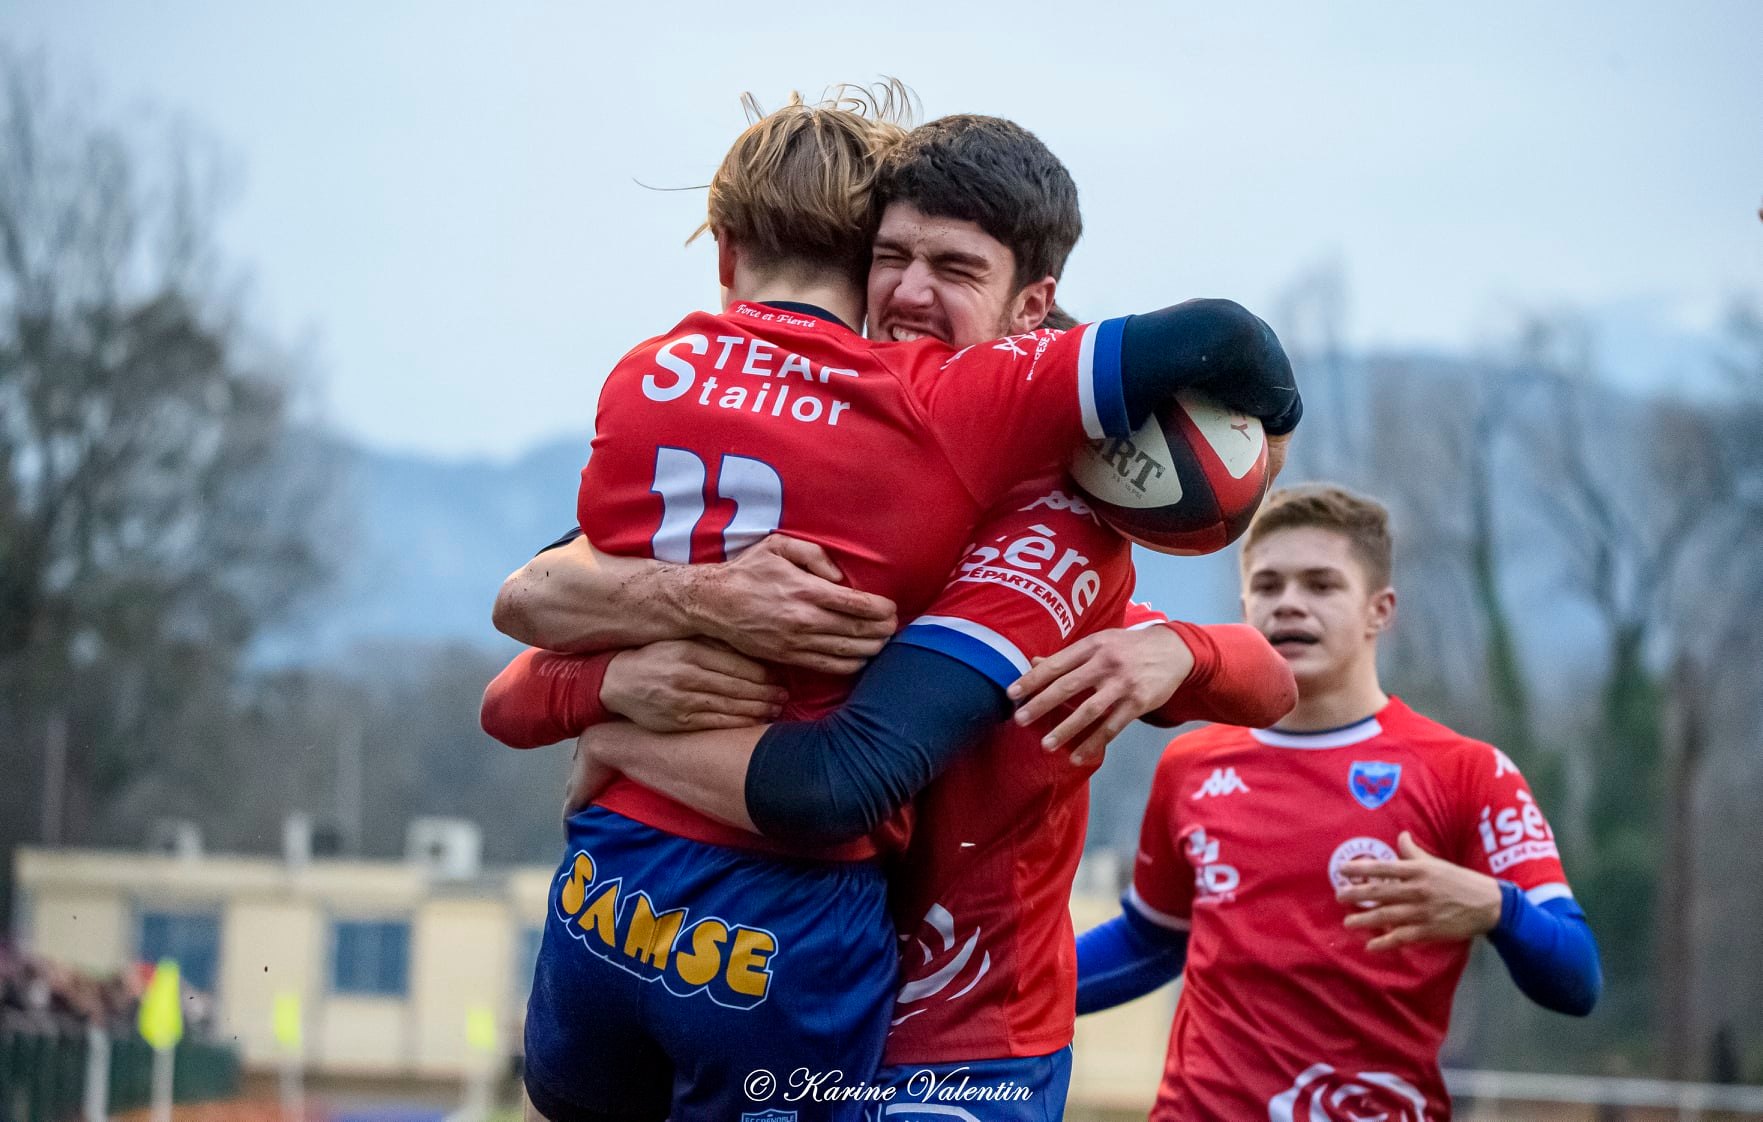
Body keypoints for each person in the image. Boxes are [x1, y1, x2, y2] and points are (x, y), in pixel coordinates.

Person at [510, 89, 1301, 1122]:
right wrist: (661, 623)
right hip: (777, 982)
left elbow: (832, 785)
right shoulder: (839, 454)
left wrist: (1183, 653)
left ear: (1032, 309)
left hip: (956, 1047)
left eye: (955, 270)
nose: (908, 293)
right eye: (890, 258)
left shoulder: (1052, 529)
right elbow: (532, 606)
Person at [1075, 484, 1602, 1122]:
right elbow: (1152, 941)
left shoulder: (1468, 773)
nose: (1289, 604)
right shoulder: (1192, 764)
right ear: (1245, 604)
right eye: (1268, 586)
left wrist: (1496, 907)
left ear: (1380, 610)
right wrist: (992, 995)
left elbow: (1578, 981)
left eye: (1321, 585)